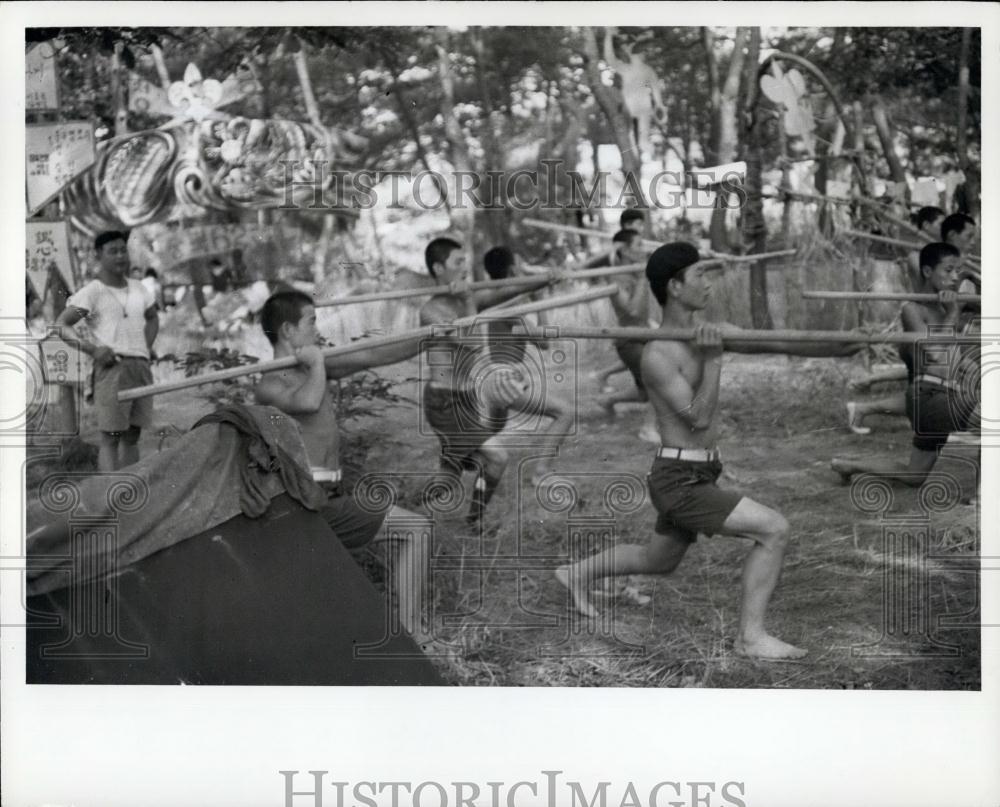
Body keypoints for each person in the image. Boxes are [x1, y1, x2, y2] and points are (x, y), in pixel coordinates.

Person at [557, 242, 861, 659]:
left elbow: (782, 342)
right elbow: (697, 419)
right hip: (678, 480)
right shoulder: (657, 355)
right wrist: (715, 360)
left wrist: (847, 344)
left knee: (657, 560)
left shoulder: (712, 332)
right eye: (700, 274)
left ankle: (575, 573)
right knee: (774, 529)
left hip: (699, 472)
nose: (709, 282)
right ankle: (750, 638)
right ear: (675, 287)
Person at [252, 291, 437, 650]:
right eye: (312, 321)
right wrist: (318, 365)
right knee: (416, 530)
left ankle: (402, 631)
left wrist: (430, 336)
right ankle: (410, 634)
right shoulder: (269, 384)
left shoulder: (315, 368)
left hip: (326, 499)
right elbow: (306, 402)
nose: (318, 330)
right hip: (300, 504)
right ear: (289, 330)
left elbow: (374, 353)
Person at [418, 237, 551, 524]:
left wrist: (544, 279)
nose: (465, 268)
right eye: (458, 262)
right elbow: (474, 343)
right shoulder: (431, 311)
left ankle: (412, 509)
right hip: (444, 402)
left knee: (452, 477)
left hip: (464, 400)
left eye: (465, 261)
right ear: (439, 269)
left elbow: (506, 291)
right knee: (498, 458)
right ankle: (473, 521)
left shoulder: (467, 299)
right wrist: (468, 300)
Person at [832, 242, 979, 488]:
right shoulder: (912, 309)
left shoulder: (944, 307)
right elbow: (934, 353)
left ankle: (847, 465)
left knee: (915, 475)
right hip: (932, 396)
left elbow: (954, 354)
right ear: (927, 272)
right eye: (949, 270)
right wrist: (954, 312)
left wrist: (972, 281)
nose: (954, 278)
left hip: (943, 395)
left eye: (958, 272)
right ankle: (984, 496)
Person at [56, 231, 158, 472]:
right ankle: (108, 497)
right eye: (113, 251)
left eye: (124, 250)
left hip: (140, 368)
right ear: (98, 256)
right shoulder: (94, 291)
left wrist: (144, 346)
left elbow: (153, 318)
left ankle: (129, 494)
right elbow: (62, 325)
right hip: (112, 369)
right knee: (111, 436)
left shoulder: (140, 288)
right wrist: (93, 350)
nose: (121, 256)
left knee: (133, 435)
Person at [846, 205, 946, 434]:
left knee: (925, 388)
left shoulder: (940, 253)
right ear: (927, 226)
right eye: (940, 223)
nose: (943, 228)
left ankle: (862, 408)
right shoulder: (916, 255)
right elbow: (931, 283)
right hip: (920, 321)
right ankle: (862, 408)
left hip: (934, 321)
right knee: (927, 387)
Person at [480, 246, 574, 485]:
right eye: (522, 265)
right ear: (513, 269)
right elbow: (543, 342)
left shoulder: (502, 296)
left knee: (493, 427)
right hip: (504, 379)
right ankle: (541, 473)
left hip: (497, 377)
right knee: (565, 412)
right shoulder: (511, 303)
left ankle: (460, 460)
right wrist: (540, 300)